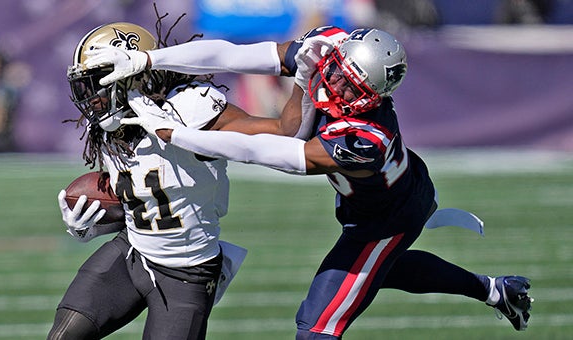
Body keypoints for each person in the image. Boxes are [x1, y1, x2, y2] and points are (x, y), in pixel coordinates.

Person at [87, 26, 534, 338]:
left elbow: (275, 152)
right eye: (336, 70)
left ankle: (495, 291)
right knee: (382, 272)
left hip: (387, 217)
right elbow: (232, 54)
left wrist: (177, 135)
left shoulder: (365, 139)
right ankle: (497, 291)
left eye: (349, 85)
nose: (335, 84)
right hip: (391, 189)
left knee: (318, 322)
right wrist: (149, 58)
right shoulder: (330, 45)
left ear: (374, 97)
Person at [46, 19, 303, 339]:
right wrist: (90, 227)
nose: (93, 97)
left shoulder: (186, 108)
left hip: (187, 273)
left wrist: (305, 78)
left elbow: (283, 135)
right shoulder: (109, 122)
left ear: (131, 75)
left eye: (99, 82)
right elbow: (140, 201)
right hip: (132, 253)